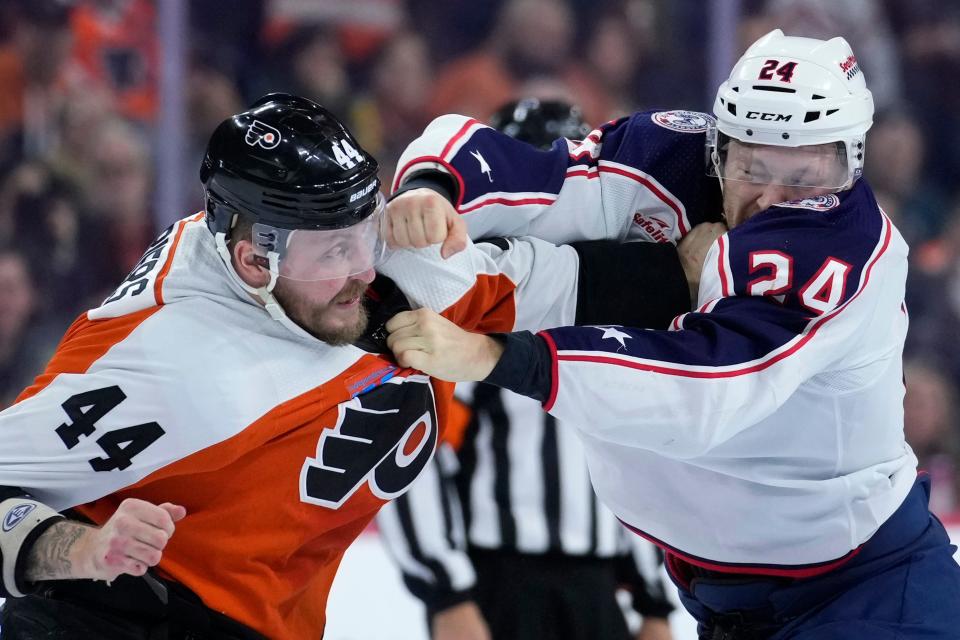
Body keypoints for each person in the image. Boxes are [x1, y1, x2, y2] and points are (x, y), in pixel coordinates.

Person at [0, 93, 707, 639]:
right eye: (333, 251)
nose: (363, 267)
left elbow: (551, 279)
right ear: (253, 260)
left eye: (363, 229)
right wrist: (80, 549)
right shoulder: (162, 364)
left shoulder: (367, 263)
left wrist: (695, 269)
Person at [384, 30, 960, 639]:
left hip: (864, 590)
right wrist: (433, 190)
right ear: (719, 148)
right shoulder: (672, 155)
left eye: (804, 175)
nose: (772, 199)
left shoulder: (851, 251)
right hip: (717, 599)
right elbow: (537, 173)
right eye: (754, 166)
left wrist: (498, 355)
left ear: (850, 162)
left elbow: (704, 389)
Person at [376, 98, 675, 640]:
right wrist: (448, 593)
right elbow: (415, 456)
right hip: (498, 584)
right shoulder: (463, 298)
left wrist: (653, 599)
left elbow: (643, 458)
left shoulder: (618, 300)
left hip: (599, 586)